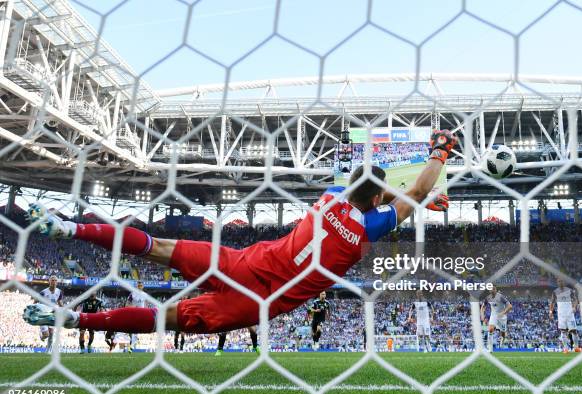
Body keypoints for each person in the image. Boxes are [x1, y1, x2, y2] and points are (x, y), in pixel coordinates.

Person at [22, 130, 456, 336]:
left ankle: (67, 226)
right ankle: (76, 320)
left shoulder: (329, 197)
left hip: (239, 264)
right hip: (257, 302)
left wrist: (419, 186)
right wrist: (438, 157)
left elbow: (392, 193)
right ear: (379, 200)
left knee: (157, 247)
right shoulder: (367, 229)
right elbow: (413, 190)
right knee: (163, 320)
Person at [549, 278, 580, 353]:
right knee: (563, 331)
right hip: (561, 314)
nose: (560, 282)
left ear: (564, 282)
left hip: (570, 313)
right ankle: (565, 348)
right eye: (559, 281)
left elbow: (575, 300)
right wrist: (550, 312)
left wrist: (574, 307)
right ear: (557, 283)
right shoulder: (555, 292)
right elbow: (552, 303)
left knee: (574, 331)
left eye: (562, 281)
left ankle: (576, 347)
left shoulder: (570, 290)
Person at [480, 286, 512, 352]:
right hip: (493, 315)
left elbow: (510, 306)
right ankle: (490, 348)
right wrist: (482, 315)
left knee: (503, 333)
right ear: (489, 291)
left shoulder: (501, 297)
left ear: (495, 290)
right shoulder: (488, 298)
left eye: (494, 289)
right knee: (490, 329)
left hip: (502, 316)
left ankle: (502, 340)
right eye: (491, 289)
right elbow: (483, 307)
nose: (493, 290)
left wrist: (503, 312)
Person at [37, 275, 63, 352]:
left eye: (55, 280)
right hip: (43, 314)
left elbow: (60, 302)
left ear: (57, 282)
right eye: (52, 280)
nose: (54, 282)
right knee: (46, 335)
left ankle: (48, 350)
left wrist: (64, 309)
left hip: (52, 314)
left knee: (51, 333)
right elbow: (35, 301)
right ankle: (42, 336)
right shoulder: (43, 292)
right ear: (49, 282)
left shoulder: (59, 292)